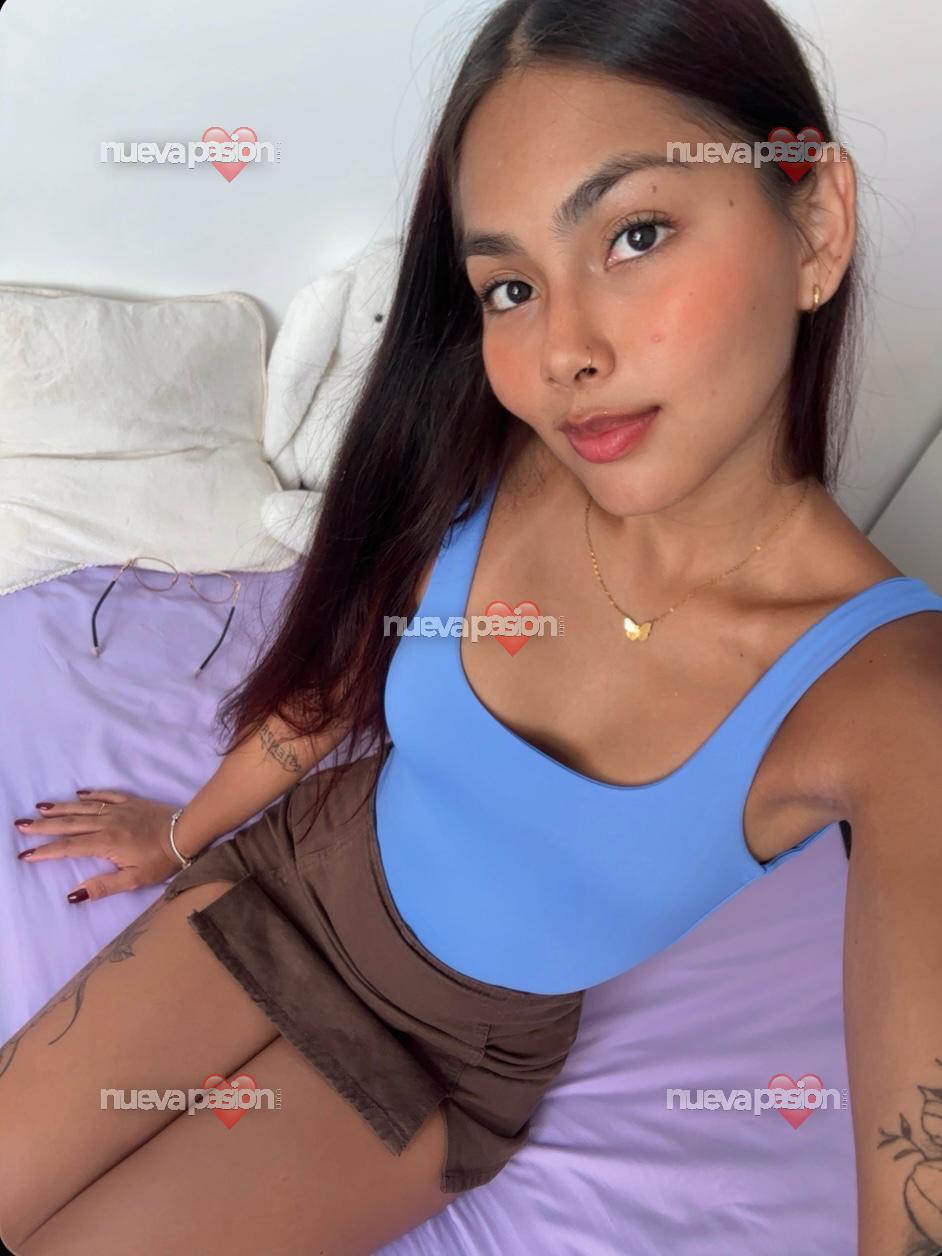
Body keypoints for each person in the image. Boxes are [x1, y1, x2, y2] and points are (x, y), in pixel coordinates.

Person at [3, 1, 942, 1252]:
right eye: (510, 285)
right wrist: (178, 832)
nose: (564, 351)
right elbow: (337, 685)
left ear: (814, 221)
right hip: (290, 879)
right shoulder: (493, 454)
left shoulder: (893, 701)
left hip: (441, 1058)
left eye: (636, 233)